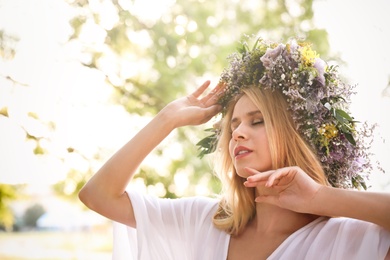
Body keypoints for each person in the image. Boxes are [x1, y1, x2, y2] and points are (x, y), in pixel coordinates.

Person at [79, 38, 390, 259]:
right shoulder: (203, 221)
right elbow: (98, 195)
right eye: (233, 125)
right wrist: (167, 119)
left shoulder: (350, 240)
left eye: (256, 121)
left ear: (296, 136)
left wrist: (319, 198)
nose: (238, 133)